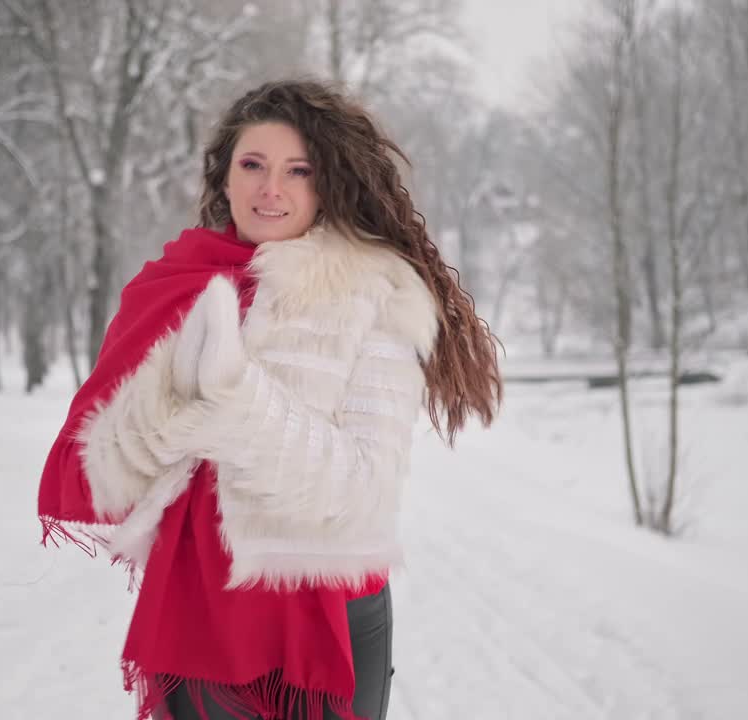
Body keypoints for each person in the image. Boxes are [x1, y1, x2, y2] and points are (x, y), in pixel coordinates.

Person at [37, 79, 502, 720]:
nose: (270, 190)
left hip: (331, 611)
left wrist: (234, 394)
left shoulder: (377, 293)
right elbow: (109, 473)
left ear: (328, 184)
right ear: (222, 177)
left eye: (297, 171)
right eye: (252, 165)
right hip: (200, 610)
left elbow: (361, 491)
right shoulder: (173, 285)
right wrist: (168, 403)